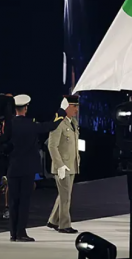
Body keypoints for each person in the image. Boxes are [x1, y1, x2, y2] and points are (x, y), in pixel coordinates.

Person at [6, 94, 65, 242]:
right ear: (26, 108)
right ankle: (21, 232)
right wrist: (61, 113)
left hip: (13, 167)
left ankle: (13, 233)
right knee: (24, 201)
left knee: (13, 201)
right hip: (27, 168)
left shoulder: (8, 124)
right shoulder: (31, 124)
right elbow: (51, 125)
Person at [47, 95, 80, 234]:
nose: (76, 109)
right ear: (66, 106)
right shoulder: (59, 123)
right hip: (62, 166)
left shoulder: (73, 122)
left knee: (64, 194)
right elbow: (52, 146)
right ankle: (64, 225)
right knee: (66, 197)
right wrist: (59, 165)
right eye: (74, 106)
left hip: (71, 164)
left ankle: (53, 220)